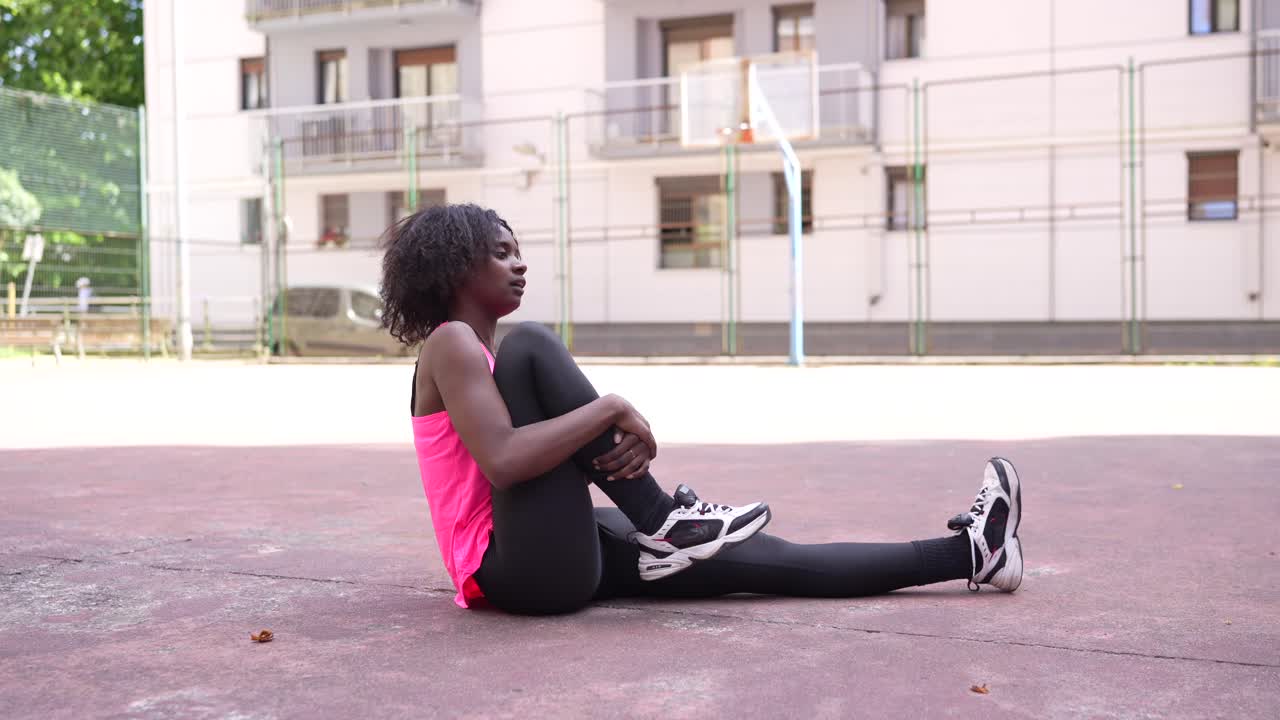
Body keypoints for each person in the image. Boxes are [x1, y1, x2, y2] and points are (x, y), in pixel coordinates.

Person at [381, 203, 1024, 615]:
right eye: (501, 252)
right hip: (510, 568)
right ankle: (665, 518)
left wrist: (596, 433)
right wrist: (610, 407)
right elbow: (503, 461)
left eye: (519, 250)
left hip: (547, 557)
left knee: (773, 562)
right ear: (455, 266)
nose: (520, 264)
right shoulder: (451, 342)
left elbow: (537, 453)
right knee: (534, 344)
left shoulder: (485, 354)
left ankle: (973, 553)